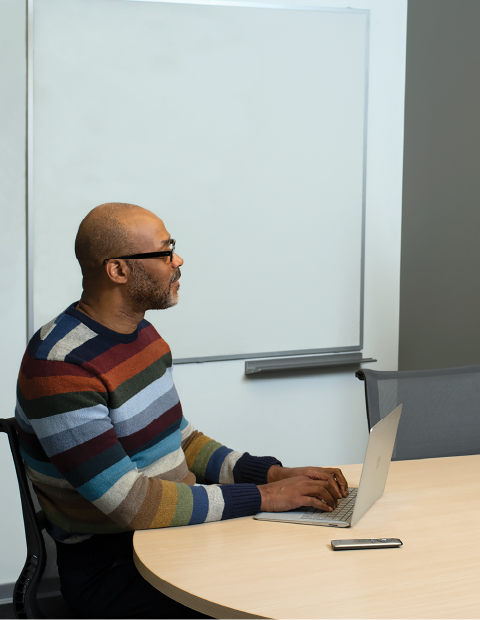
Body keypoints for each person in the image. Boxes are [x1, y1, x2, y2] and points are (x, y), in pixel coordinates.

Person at [14, 203, 349, 619]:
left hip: (178, 535)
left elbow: (179, 437)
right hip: (115, 566)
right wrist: (264, 497)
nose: (178, 261)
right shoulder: (60, 366)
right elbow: (131, 504)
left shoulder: (142, 335)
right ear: (118, 270)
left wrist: (269, 474)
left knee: (314, 569)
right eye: (165, 252)